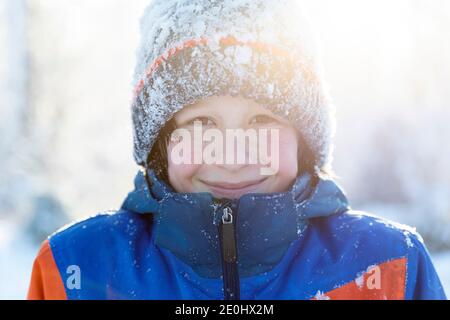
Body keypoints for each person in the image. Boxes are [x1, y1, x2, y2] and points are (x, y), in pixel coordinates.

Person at [27, 0, 446, 300]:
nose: (232, 156)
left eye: (263, 121)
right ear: (159, 145)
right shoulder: (74, 269)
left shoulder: (390, 268)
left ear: (303, 139)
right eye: (201, 124)